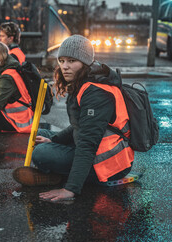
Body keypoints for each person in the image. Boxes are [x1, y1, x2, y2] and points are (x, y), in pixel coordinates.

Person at [12, 35, 135, 202]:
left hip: (108, 163)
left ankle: (61, 178)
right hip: (94, 149)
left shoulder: (96, 92)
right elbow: (79, 126)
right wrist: (54, 140)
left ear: (85, 63)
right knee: (42, 135)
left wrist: (71, 189)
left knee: (41, 153)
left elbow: (87, 144)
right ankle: (56, 175)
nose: (65, 67)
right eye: (61, 61)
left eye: (71, 61)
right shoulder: (83, 83)